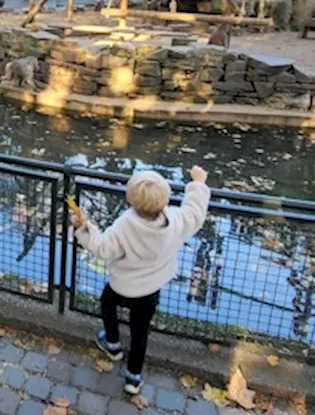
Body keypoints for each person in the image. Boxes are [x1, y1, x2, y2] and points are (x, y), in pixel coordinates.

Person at [71, 166, 211, 395]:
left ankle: (113, 344)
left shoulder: (125, 224)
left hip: (122, 284)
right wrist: (198, 183)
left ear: (132, 200)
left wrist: (84, 227)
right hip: (150, 288)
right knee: (140, 332)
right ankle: (133, 377)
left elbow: (102, 248)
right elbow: (195, 212)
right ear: (164, 200)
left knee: (107, 303)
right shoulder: (175, 221)